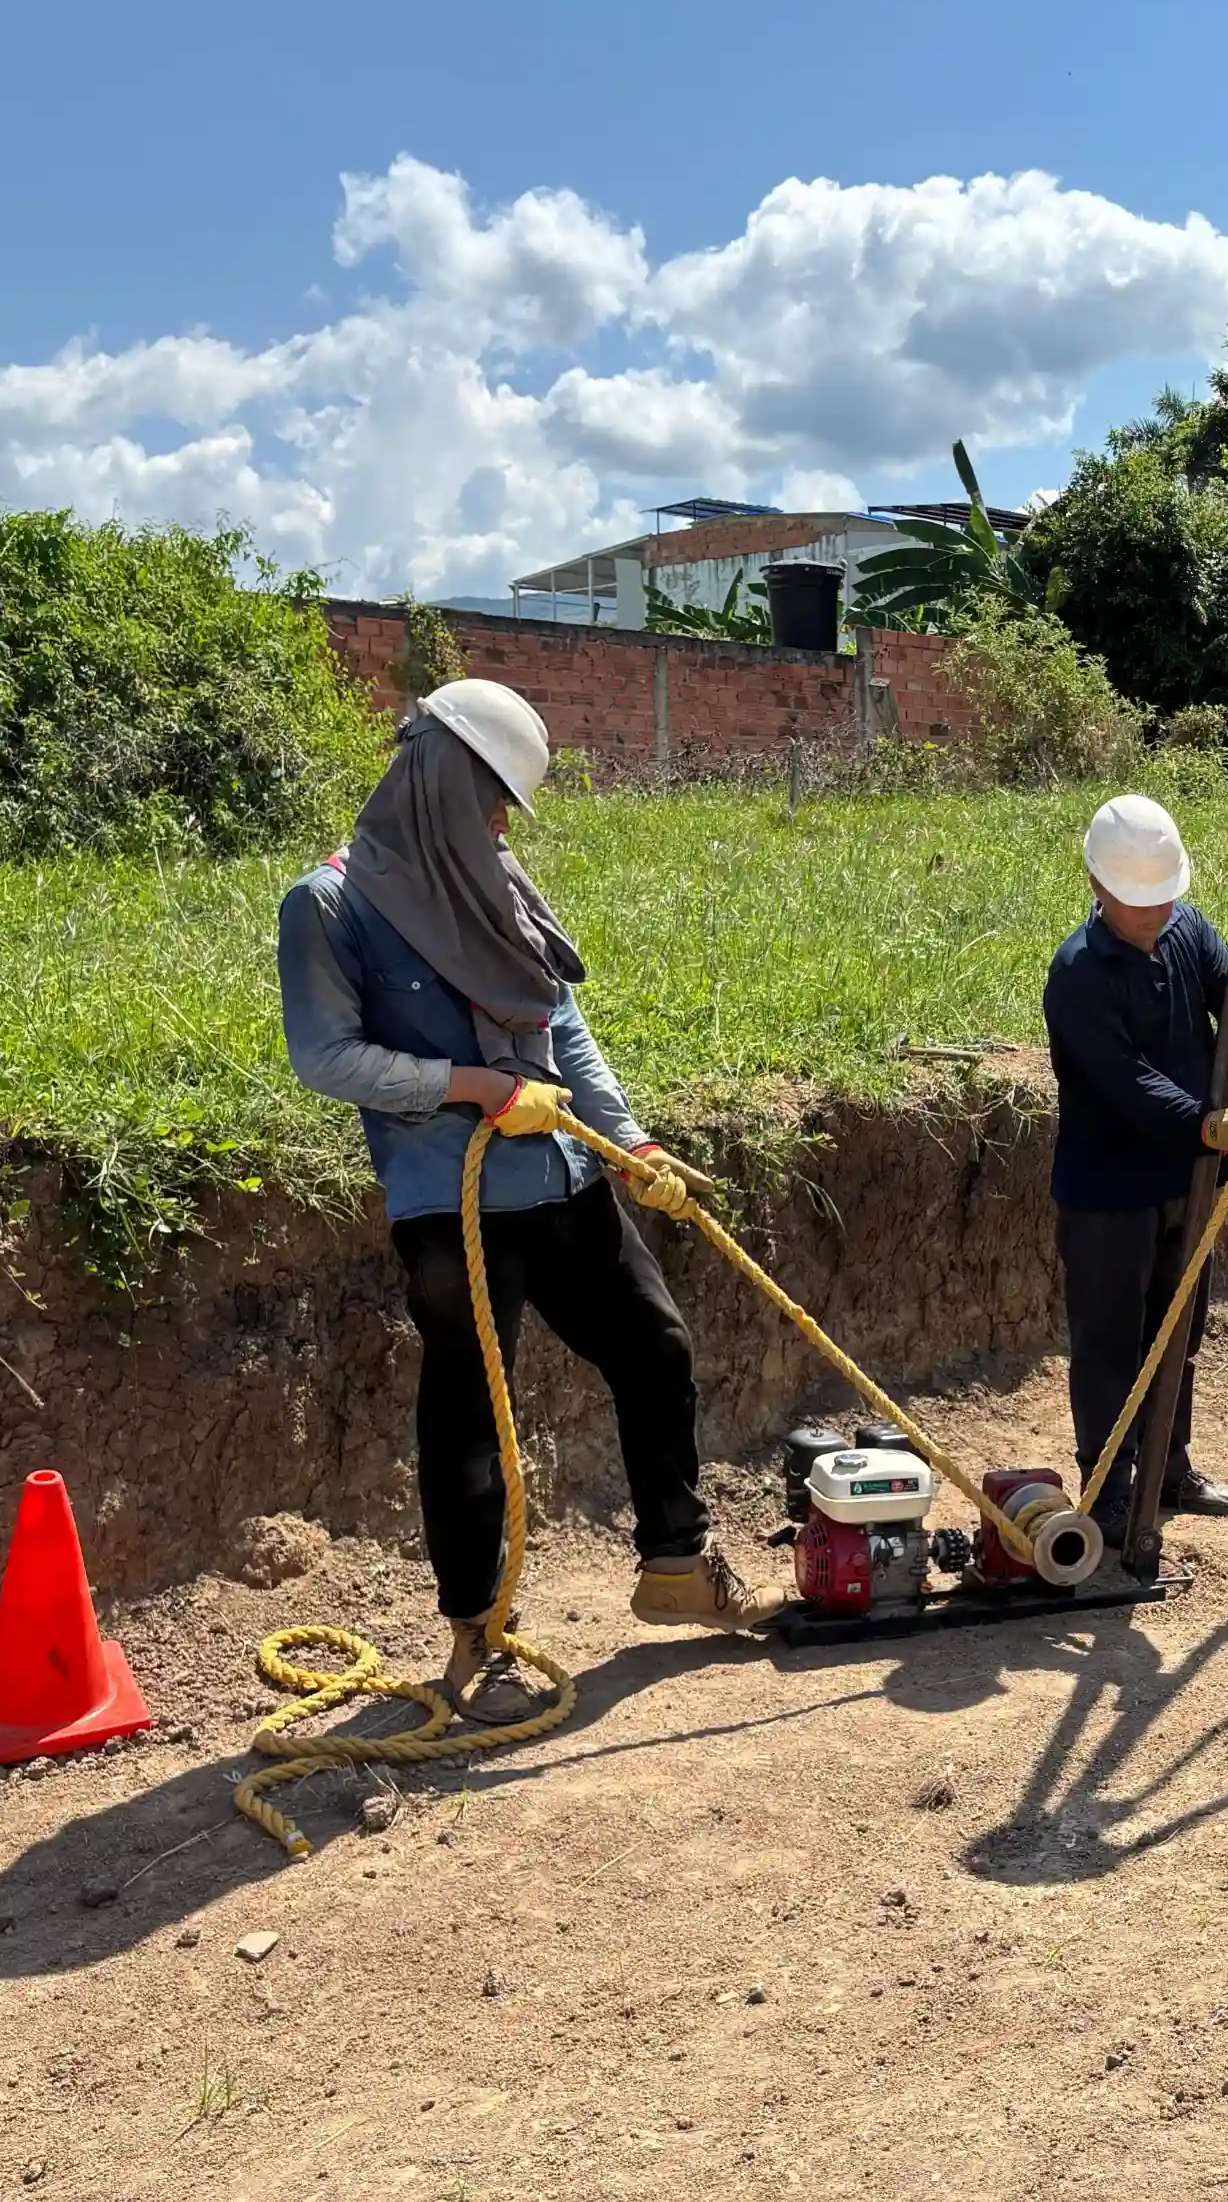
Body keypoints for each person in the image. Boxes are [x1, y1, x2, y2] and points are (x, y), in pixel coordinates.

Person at [277, 677, 768, 1724]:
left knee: (655, 1346)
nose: (503, 822)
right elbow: (325, 1056)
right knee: (469, 1415)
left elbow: (563, 1026)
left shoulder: (499, 883)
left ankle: (677, 1565)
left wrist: (630, 1142)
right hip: (451, 1207)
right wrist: (472, 1087)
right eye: (493, 797)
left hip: (564, 1182)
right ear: (442, 782)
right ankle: (478, 1632)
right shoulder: (330, 905)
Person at [1043, 793, 1228, 1544]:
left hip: (1187, 1182)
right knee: (1109, 1348)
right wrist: (1207, 1124)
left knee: (1178, 1331)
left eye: (1163, 894)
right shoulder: (1077, 975)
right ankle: (1108, 1488)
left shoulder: (1186, 930)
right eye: (1139, 899)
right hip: (1109, 1192)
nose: (1155, 910)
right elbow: (1125, 1084)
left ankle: (1168, 1468)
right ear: (1098, 886)